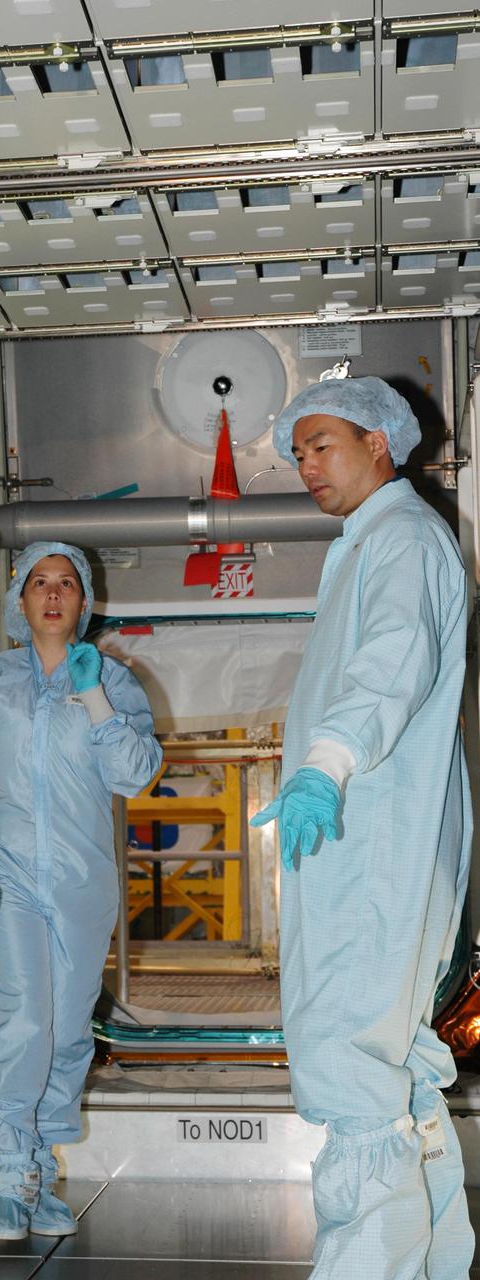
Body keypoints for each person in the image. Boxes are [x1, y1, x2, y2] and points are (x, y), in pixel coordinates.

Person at [251, 377, 473, 1278]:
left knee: (350, 1064)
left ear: (378, 442)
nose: (305, 464)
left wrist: (325, 764)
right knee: (392, 1067)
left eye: (321, 444)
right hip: (375, 844)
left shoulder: (402, 539)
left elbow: (391, 663)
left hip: (374, 845)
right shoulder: (372, 543)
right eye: (296, 452)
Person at [0, 541, 162, 1240]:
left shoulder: (114, 681)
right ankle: (7, 1173)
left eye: (67, 583)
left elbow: (134, 774)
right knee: (20, 1014)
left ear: (85, 602)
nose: (53, 594)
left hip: (83, 880)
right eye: (39, 583)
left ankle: (40, 1173)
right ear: (18, 601)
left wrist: (95, 698)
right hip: (7, 871)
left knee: (69, 1027)